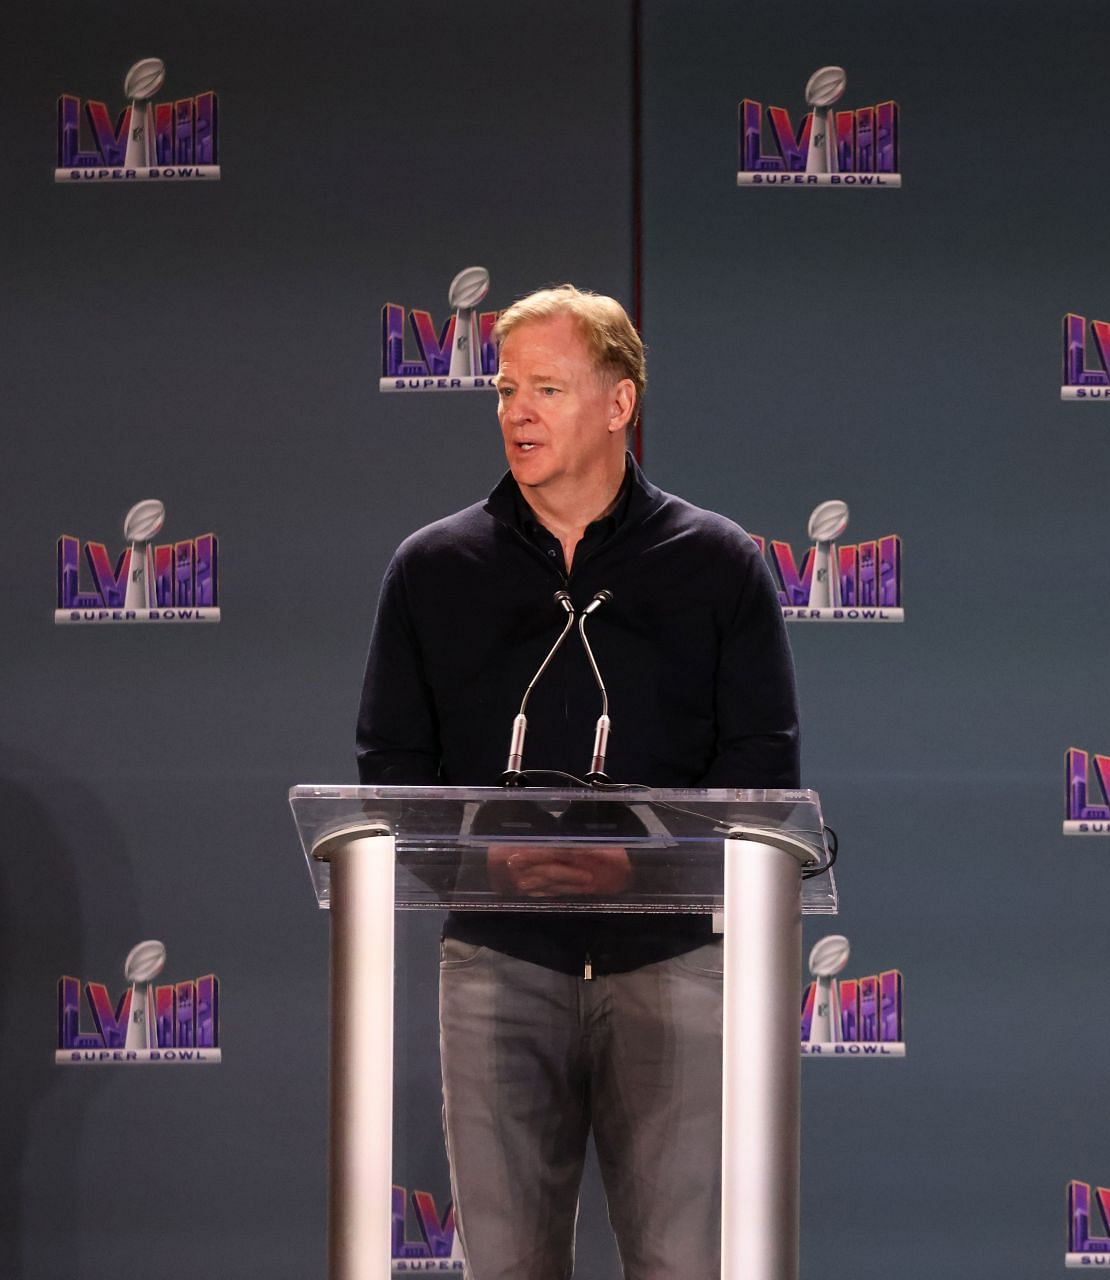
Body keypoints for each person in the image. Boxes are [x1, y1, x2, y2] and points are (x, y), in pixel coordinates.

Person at [355, 284, 800, 1279]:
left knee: (687, 1263)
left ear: (618, 403)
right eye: (507, 387)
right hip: (497, 962)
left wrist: (641, 868)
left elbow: (762, 770)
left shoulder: (718, 564)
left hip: (676, 967)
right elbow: (390, 766)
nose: (516, 409)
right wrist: (487, 863)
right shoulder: (433, 568)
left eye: (547, 387)